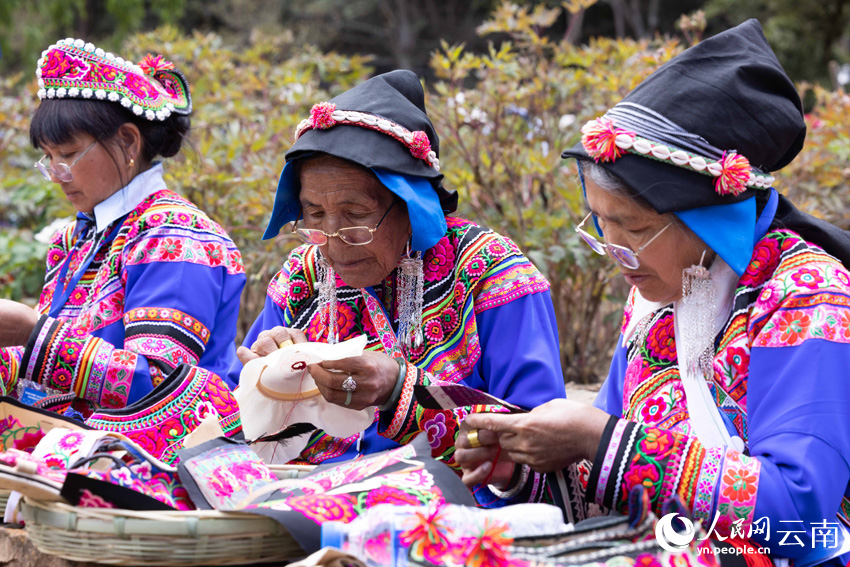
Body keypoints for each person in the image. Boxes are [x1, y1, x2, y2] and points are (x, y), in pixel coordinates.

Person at [455, 20, 850, 565]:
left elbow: (799, 513)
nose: (615, 252)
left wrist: (602, 440)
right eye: (600, 225)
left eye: (634, 229)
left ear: (709, 216)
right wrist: (523, 471)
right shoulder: (657, 295)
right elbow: (610, 475)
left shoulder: (806, 295)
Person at [233, 70, 566, 488]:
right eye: (315, 216)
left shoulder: (491, 273)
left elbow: (542, 445)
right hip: (310, 500)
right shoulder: (301, 278)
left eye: (355, 216)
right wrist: (267, 379)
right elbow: (240, 429)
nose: (333, 245)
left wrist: (399, 391)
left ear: (412, 207)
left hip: (451, 515)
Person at [0, 38, 246, 412]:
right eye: (49, 158)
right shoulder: (75, 238)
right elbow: (45, 371)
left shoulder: (178, 237)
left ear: (129, 142)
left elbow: (161, 385)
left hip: (152, 458)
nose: (56, 174)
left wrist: (33, 334)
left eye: (67, 155)